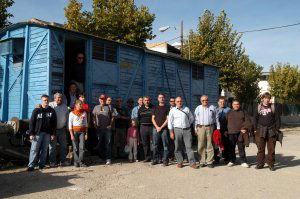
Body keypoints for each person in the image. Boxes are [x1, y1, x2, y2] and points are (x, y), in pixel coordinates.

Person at [27, 95, 57, 171]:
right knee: (34, 149)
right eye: (44, 100)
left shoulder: (52, 111)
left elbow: (54, 123)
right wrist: (31, 133)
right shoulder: (36, 110)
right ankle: (31, 165)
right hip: (37, 134)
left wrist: (53, 134)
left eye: (47, 100)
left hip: (47, 133)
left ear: (49, 101)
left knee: (44, 150)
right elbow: (32, 122)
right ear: (41, 101)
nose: (46, 102)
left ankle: (42, 164)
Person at [168, 96, 198, 169]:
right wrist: (171, 132)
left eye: (180, 101)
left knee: (189, 147)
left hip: (186, 130)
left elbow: (191, 118)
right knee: (178, 147)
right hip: (177, 130)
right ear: (175, 102)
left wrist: (187, 124)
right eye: (177, 101)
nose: (179, 102)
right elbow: (170, 122)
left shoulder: (186, 109)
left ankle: (192, 163)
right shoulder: (172, 110)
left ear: (182, 101)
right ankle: (180, 162)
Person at [254, 92, 281, 171]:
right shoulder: (258, 107)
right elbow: (255, 119)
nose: (267, 100)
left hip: (271, 130)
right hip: (261, 130)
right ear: (262, 99)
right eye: (265, 98)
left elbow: (277, 119)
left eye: (268, 98)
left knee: (271, 148)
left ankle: (271, 164)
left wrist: (277, 129)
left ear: (270, 99)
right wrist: (255, 129)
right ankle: (260, 164)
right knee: (260, 148)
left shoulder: (273, 107)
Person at [194, 95, 220, 168]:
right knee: (201, 144)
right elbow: (195, 119)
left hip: (210, 127)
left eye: (206, 100)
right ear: (200, 101)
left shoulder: (212, 108)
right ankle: (202, 161)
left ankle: (209, 161)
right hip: (200, 127)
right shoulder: (198, 108)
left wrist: (218, 128)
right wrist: (195, 129)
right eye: (203, 100)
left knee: (210, 144)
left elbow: (216, 118)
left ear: (208, 100)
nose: (205, 101)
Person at [226, 99, 252, 168]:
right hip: (231, 132)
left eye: (237, 104)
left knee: (241, 147)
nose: (236, 105)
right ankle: (232, 160)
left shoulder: (243, 112)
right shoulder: (229, 112)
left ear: (239, 105)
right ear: (232, 105)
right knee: (231, 148)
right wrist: (225, 131)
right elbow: (225, 122)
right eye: (234, 104)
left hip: (241, 133)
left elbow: (248, 121)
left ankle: (243, 161)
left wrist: (245, 128)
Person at [92, 94, 116, 165]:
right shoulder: (96, 107)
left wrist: (110, 125)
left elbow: (113, 116)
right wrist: (94, 124)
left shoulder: (109, 107)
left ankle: (108, 158)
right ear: (99, 100)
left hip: (107, 129)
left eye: (104, 99)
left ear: (105, 100)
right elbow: (93, 116)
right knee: (100, 143)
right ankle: (101, 158)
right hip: (99, 128)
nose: (102, 100)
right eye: (101, 99)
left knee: (108, 143)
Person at [48, 93, 70, 167]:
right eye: (58, 98)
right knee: (52, 147)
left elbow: (67, 118)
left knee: (63, 146)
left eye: (60, 98)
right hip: (53, 130)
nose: (59, 99)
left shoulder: (65, 107)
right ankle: (52, 162)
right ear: (54, 99)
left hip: (62, 129)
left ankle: (63, 161)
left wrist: (67, 128)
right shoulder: (50, 105)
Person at [69, 100, 88, 167]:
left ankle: (81, 162)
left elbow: (86, 124)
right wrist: (71, 134)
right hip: (74, 132)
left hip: (82, 132)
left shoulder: (84, 113)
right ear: (76, 105)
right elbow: (70, 125)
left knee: (82, 147)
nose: (80, 106)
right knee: (75, 147)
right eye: (79, 104)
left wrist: (86, 133)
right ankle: (76, 162)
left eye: (81, 104)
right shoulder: (72, 113)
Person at [152, 93, 169, 166]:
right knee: (155, 145)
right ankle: (155, 159)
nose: (161, 98)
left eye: (162, 97)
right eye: (160, 97)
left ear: (164, 98)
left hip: (164, 129)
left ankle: (165, 160)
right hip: (155, 129)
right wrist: (157, 127)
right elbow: (152, 118)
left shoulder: (167, 108)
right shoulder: (155, 107)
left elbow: (167, 119)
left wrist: (161, 127)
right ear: (158, 99)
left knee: (165, 145)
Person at [138, 96, 153, 162]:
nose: (147, 101)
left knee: (154, 142)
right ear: (143, 101)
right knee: (145, 143)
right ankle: (147, 157)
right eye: (145, 100)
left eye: (148, 100)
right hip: (143, 127)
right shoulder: (140, 109)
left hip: (152, 127)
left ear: (149, 101)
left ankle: (155, 157)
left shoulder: (153, 108)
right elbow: (138, 118)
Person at [216, 96, 231, 164]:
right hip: (217, 130)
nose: (222, 103)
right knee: (216, 144)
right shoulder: (215, 110)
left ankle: (226, 158)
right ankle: (216, 158)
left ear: (225, 103)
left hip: (225, 129)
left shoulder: (229, 110)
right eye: (220, 102)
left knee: (225, 144)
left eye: (223, 102)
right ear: (218, 103)